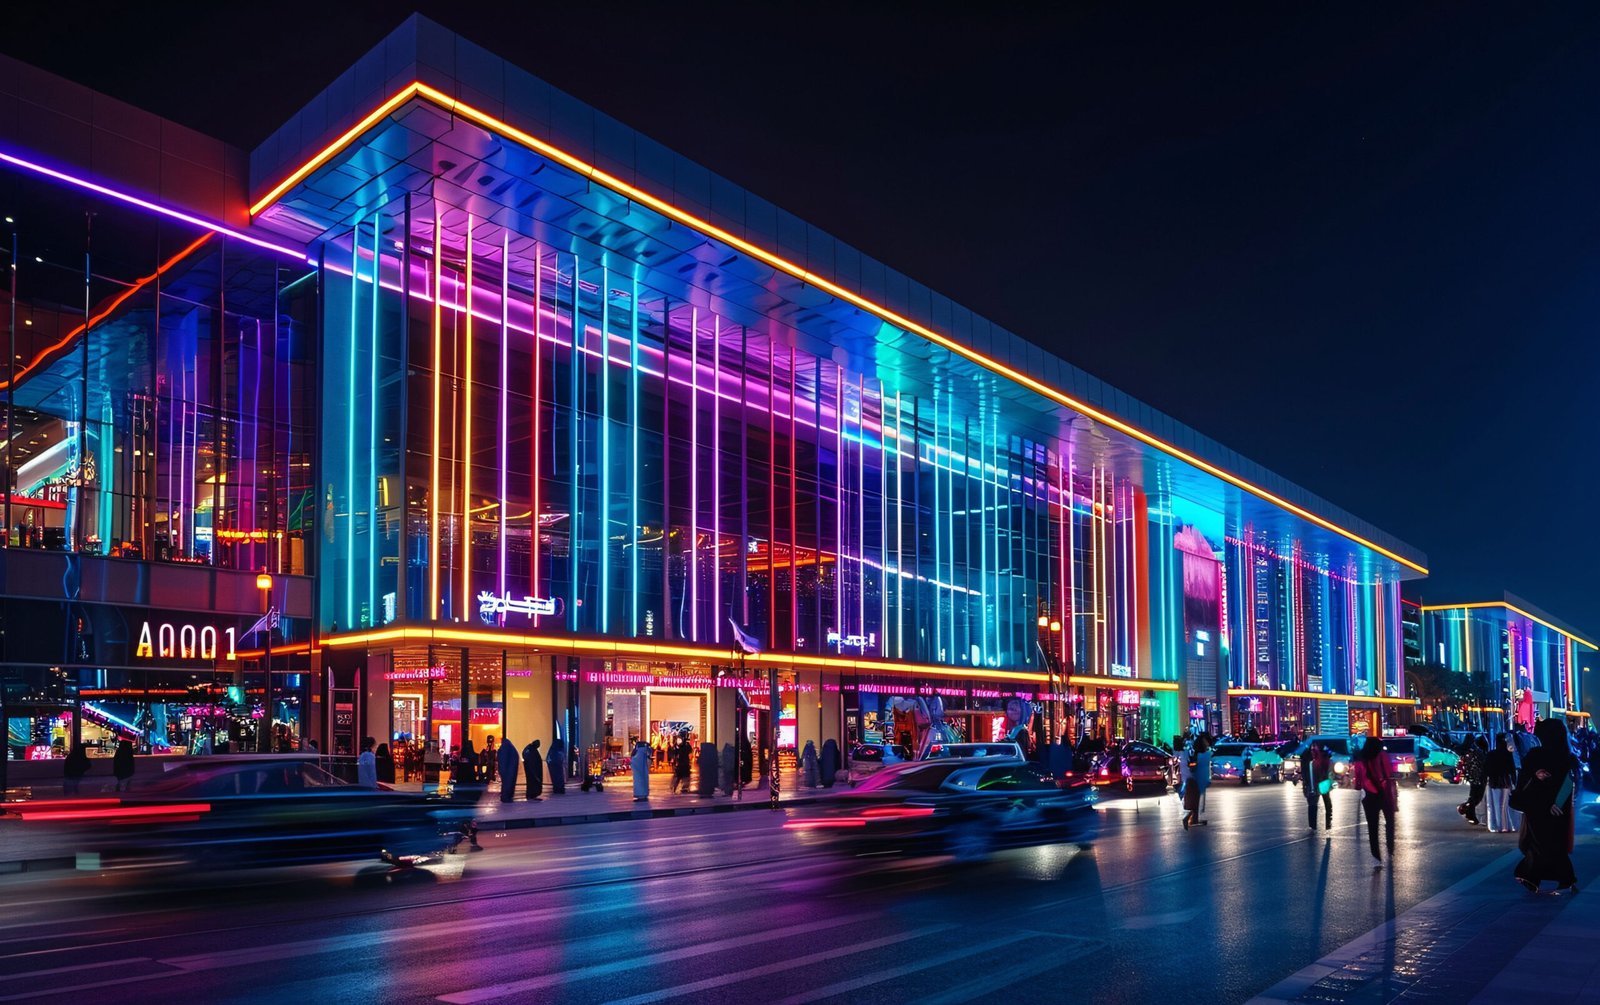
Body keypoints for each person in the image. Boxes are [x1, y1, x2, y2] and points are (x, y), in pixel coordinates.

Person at [1513, 718, 1581, 895]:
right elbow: (1571, 783)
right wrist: (1558, 804)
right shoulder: (1568, 756)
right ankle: (1561, 879)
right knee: (1553, 843)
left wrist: (1535, 779)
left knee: (1539, 843)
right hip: (1559, 809)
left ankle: (1534, 877)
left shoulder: (1536, 755)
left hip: (1539, 807)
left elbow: (1525, 778)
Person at [1350, 736, 1396, 866]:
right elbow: (1388, 774)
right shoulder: (1382, 755)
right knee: (1390, 822)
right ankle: (1390, 847)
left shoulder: (1360, 760)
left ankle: (1376, 853)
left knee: (1372, 826)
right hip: (1384, 794)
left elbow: (1358, 783)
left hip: (1370, 796)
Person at [1485, 732, 1517, 833]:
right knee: (1504, 804)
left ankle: (1495, 825)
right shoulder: (1508, 755)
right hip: (1505, 780)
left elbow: (1486, 769)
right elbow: (1512, 770)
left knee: (1493, 804)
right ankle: (1505, 825)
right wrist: (1515, 782)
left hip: (1493, 781)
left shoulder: (1491, 754)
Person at [1300, 740, 1333, 831]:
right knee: (1318, 803)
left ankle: (1319, 825)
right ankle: (1322, 824)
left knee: (1318, 803)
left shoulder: (1310, 754)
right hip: (1316, 781)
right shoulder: (1320, 755)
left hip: (1317, 781)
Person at [1458, 736, 1487, 825]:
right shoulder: (1478, 753)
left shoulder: (1469, 752)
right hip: (1479, 778)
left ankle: (1467, 810)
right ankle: (1467, 810)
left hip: (1473, 777)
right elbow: (1482, 766)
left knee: (1474, 796)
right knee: (1477, 796)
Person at [497, 733, 519, 804]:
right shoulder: (509, 748)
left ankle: (505, 797)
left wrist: (502, 770)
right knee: (508, 783)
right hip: (509, 769)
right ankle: (506, 797)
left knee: (506, 783)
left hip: (506, 769)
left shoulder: (504, 748)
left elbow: (502, 759)